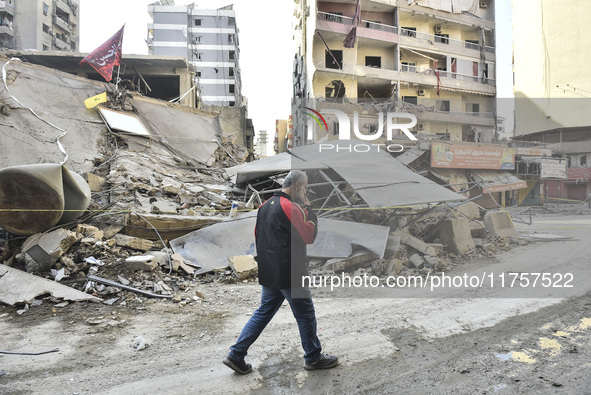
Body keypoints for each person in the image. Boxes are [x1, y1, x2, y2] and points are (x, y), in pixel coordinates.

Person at [223, 170, 338, 374]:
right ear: (297, 187)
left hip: (271, 272)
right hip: (290, 273)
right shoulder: (291, 208)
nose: (305, 193)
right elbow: (309, 234)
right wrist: (309, 209)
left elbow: (258, 236)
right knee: (305, 315)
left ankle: (236, 354)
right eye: (305, 188)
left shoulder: (265, 206)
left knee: (263, 312)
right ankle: (313, 357)